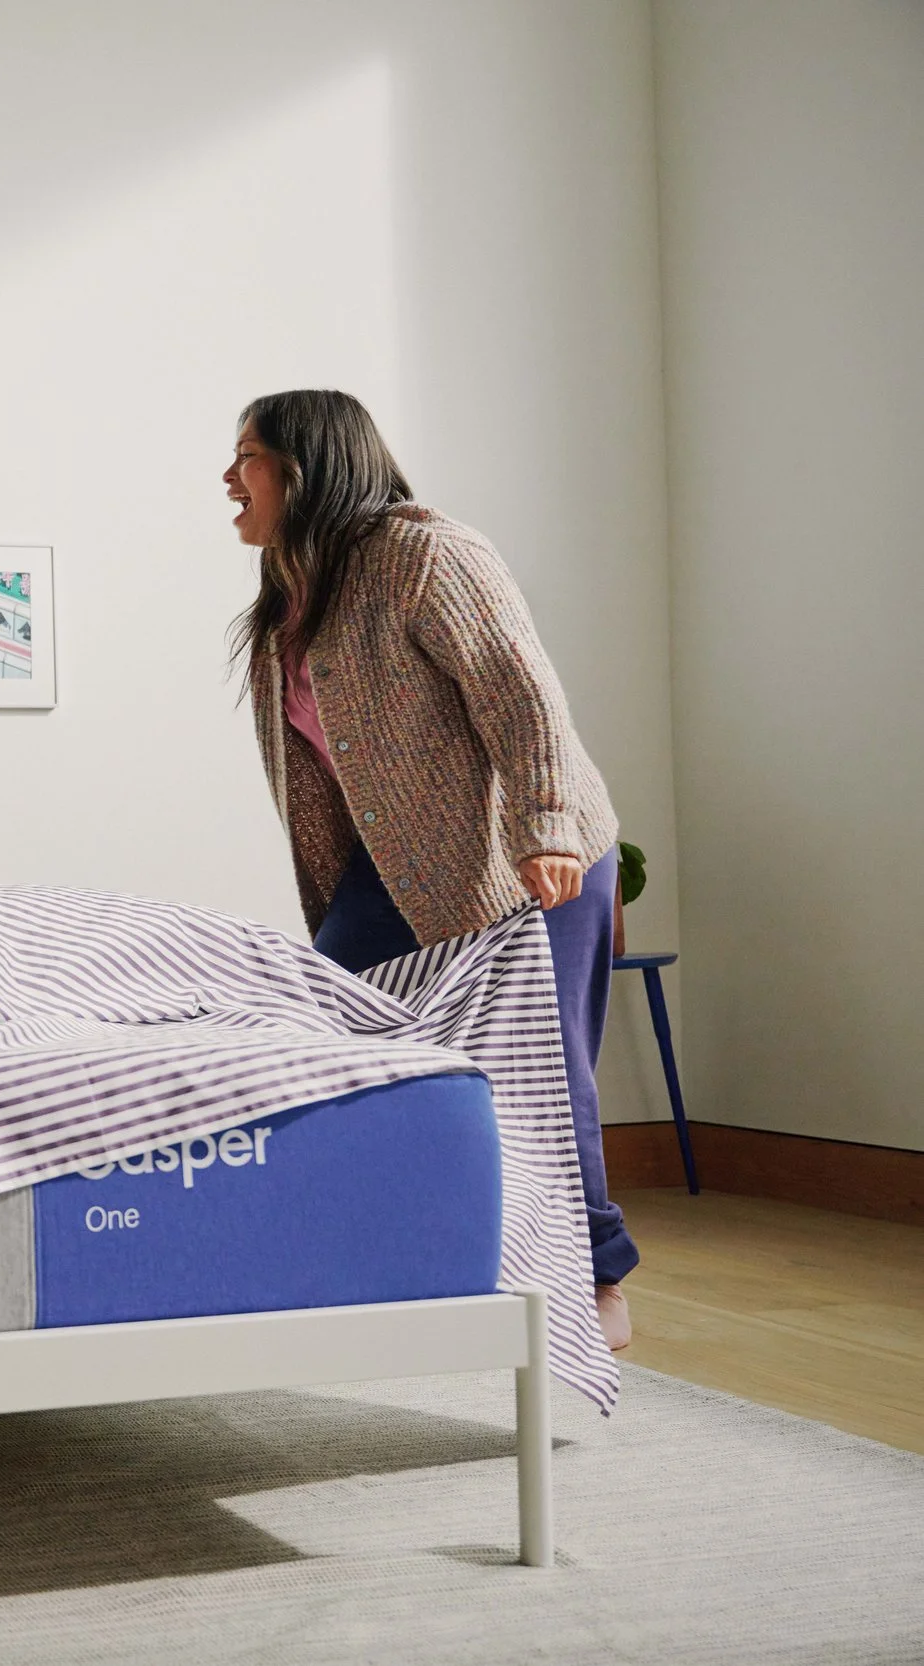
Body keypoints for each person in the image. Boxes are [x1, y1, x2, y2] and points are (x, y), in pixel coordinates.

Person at [222, 389, 637, 1350]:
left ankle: (599, 1281)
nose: (228, 479)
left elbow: (521, 691)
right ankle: (400, 1250)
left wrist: (546, 827)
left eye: (247, 455)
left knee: (546, 1068)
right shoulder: (292, 596)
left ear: (309, 463)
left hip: (527, 850)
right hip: (399, 865)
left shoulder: (426, 553)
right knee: (330, 1029)